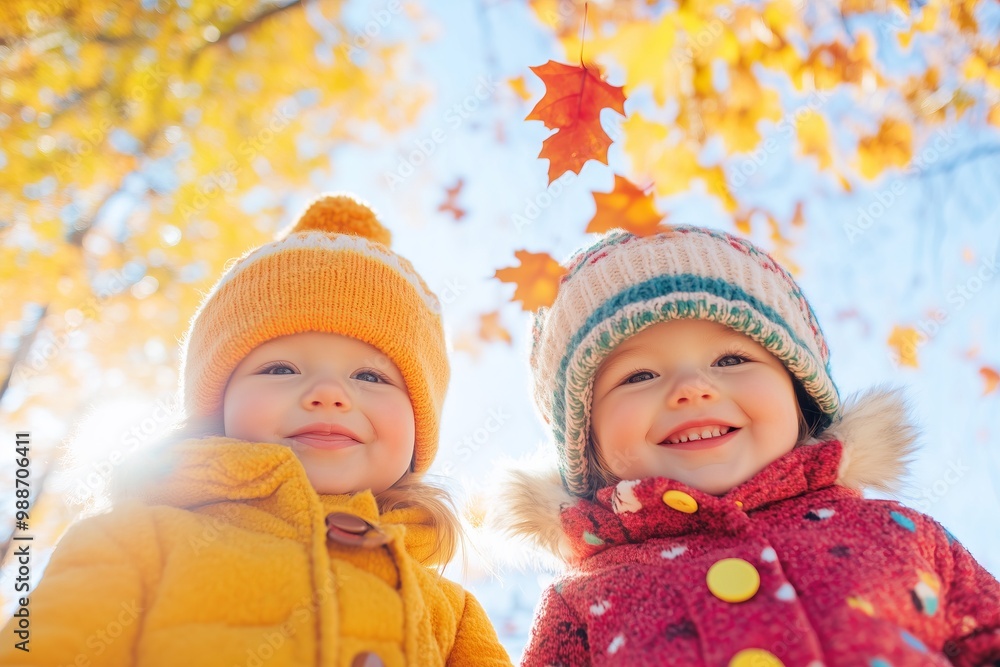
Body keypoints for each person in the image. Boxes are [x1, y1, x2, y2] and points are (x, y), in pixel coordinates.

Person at [1, 194, 511, 667]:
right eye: (281, 369)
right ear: (217, 405)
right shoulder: (132, 542)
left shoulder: (454, 612)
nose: (330, 393)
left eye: (371, 376)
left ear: (420, 426)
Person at [499, 226, 1000, 666]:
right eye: (640, 374)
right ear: (588, 447)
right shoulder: (581, 601)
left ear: (802, 398)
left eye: (733, 360)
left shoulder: (898, 532)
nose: (693, 388)